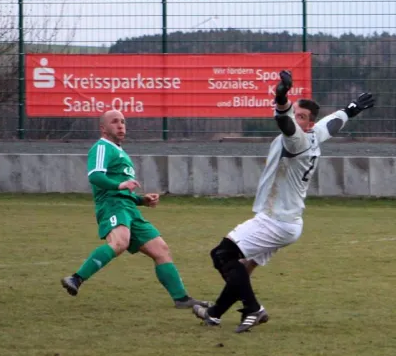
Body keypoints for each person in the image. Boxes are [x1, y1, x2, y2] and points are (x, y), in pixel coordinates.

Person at [192, 70, 374, 332]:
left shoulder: (296, 139)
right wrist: (351, 109)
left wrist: (281, 97)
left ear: (308, 124)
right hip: (288, 221)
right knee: (242, 268)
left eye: (301, 116)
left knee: (222, 254)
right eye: (296, 113)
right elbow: (332, 124)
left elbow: (285, 123)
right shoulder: (314, 133)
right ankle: (215, 313)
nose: (295, 119)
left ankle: (254, 309)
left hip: (275, 220)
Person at [60, 109, 208, 309]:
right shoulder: (102, 147)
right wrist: (119, 186)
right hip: (112, 205)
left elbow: (123, 188)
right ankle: (76, 279)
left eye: (122, 121)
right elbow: (95, 176)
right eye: (114, 122)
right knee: (120, 242)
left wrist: (141, 200)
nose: (120, 125)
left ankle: (181, 298)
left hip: (129, 208)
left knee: (161, 249)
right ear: (103, 128)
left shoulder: (120, 151)